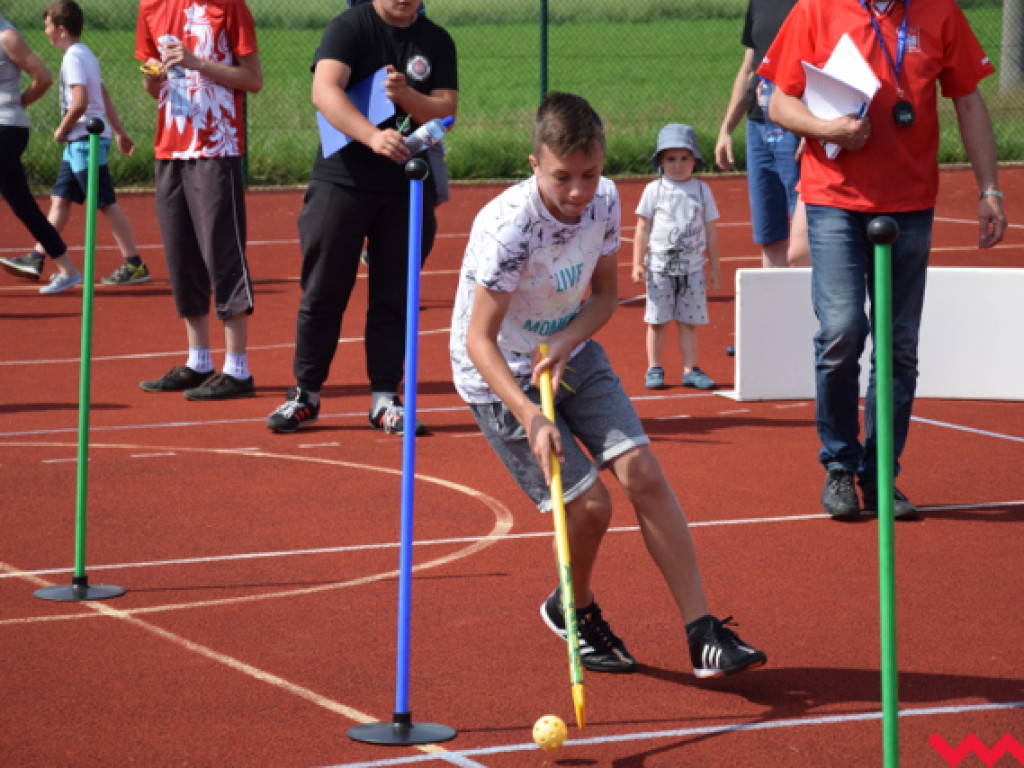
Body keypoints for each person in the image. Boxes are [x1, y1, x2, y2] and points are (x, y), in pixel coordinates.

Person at [449, 92, 767, 678]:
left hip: (569, 348)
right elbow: (479, 341)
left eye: (589, 174)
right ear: (534, 165)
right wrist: (531, 416)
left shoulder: (605, 201)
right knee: (590, 505)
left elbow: (603, 297)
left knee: (643, 473)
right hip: (502, 374)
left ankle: (703, 634)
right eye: (562, 177)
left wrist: (567, 340)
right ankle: (574, 608)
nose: (577, 191)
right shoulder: (510, 227)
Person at [758, 0, 1007, 519]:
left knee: (899, 347)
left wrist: (990, 189)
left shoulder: (940, 12)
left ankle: (879, 476)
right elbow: (779, 103)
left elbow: (968, 101)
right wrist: (828, 131)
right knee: (842, 331)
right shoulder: (815, 9)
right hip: (834, 199)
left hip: (910, 203)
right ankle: (839, 465)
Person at [266, 0, 457, 435]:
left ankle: (385, 399)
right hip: (343, 182)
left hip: (408, 185)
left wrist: (407, 97)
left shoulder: (436, 40)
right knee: (324, 290)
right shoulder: (349, 27)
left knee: (395, 295)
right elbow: (324, 91)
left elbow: (447, 110)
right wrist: (372, 136)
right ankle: (305, 394)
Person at [135, 0, 263, 401]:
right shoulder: (151, 7)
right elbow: (152, 85)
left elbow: (253, 79)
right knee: (181, 255)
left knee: (222, 253)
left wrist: (197, 63)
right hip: (170, 148)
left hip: (216, 146)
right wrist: (154, 74)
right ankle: (198, 361)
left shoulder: (228, 6)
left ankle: (237, 369)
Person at [1, 1, 150, 295]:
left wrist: (62, 128)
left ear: (61, 30)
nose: (44, 31)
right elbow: (103, 96)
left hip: (84, 142)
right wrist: (120, 132)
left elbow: (81, 102)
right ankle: (39, 256)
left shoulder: (72, 58)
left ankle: (134, 262)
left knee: (104, 202)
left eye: (47, 26)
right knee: (60, 200)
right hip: (79, 143)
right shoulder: (86, 54)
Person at [715, 0, 809, 269]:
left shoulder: (813, 4)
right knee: (770, 237)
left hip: (795, 127)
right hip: (758, 127)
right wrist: (726, 129)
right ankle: (775, 296)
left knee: (803, 243)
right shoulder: (758, 3)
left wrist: (811, 128)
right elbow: (749, 69)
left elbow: (823, 67)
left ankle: (810, 297)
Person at [632, 123, 721, 391]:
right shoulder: (654, 190)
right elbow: (642, 228)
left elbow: (711, 231)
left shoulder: (702, 190)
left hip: (693, 269)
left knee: (689, 322)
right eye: (671, 159)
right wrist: (637, 262)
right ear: (661, 161)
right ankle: (654, 368)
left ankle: (690, 369)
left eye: (684, 158)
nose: (678, 165)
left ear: (695, 160)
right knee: (657, 321)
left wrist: (715, 268)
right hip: (660, 268)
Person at [0, 0, 70, 287]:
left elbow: (43, 78)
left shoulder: (7, 36)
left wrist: (19, 103)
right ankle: (68, 270)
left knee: (23, 205)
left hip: (6, 129)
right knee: (23, 206)